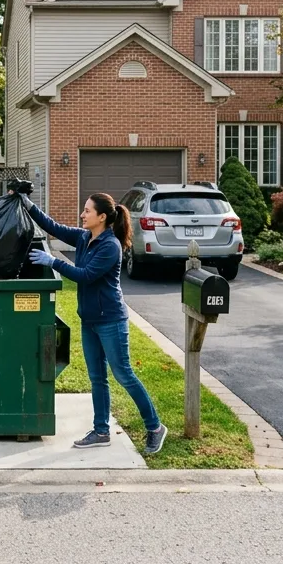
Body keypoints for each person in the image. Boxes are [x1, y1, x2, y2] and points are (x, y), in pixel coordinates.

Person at [21, 191, 167, 455]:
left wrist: (52, 261)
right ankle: (101, 431)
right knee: (97, 378)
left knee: (123, 374)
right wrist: (27, 204)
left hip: (111, 320)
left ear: (102, 217)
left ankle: (155, 427)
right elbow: (52, 226)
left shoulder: (109, 246)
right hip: (89, 320)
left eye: (87, 211)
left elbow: (86, 276)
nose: (82, 214)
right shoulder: (85, 237)